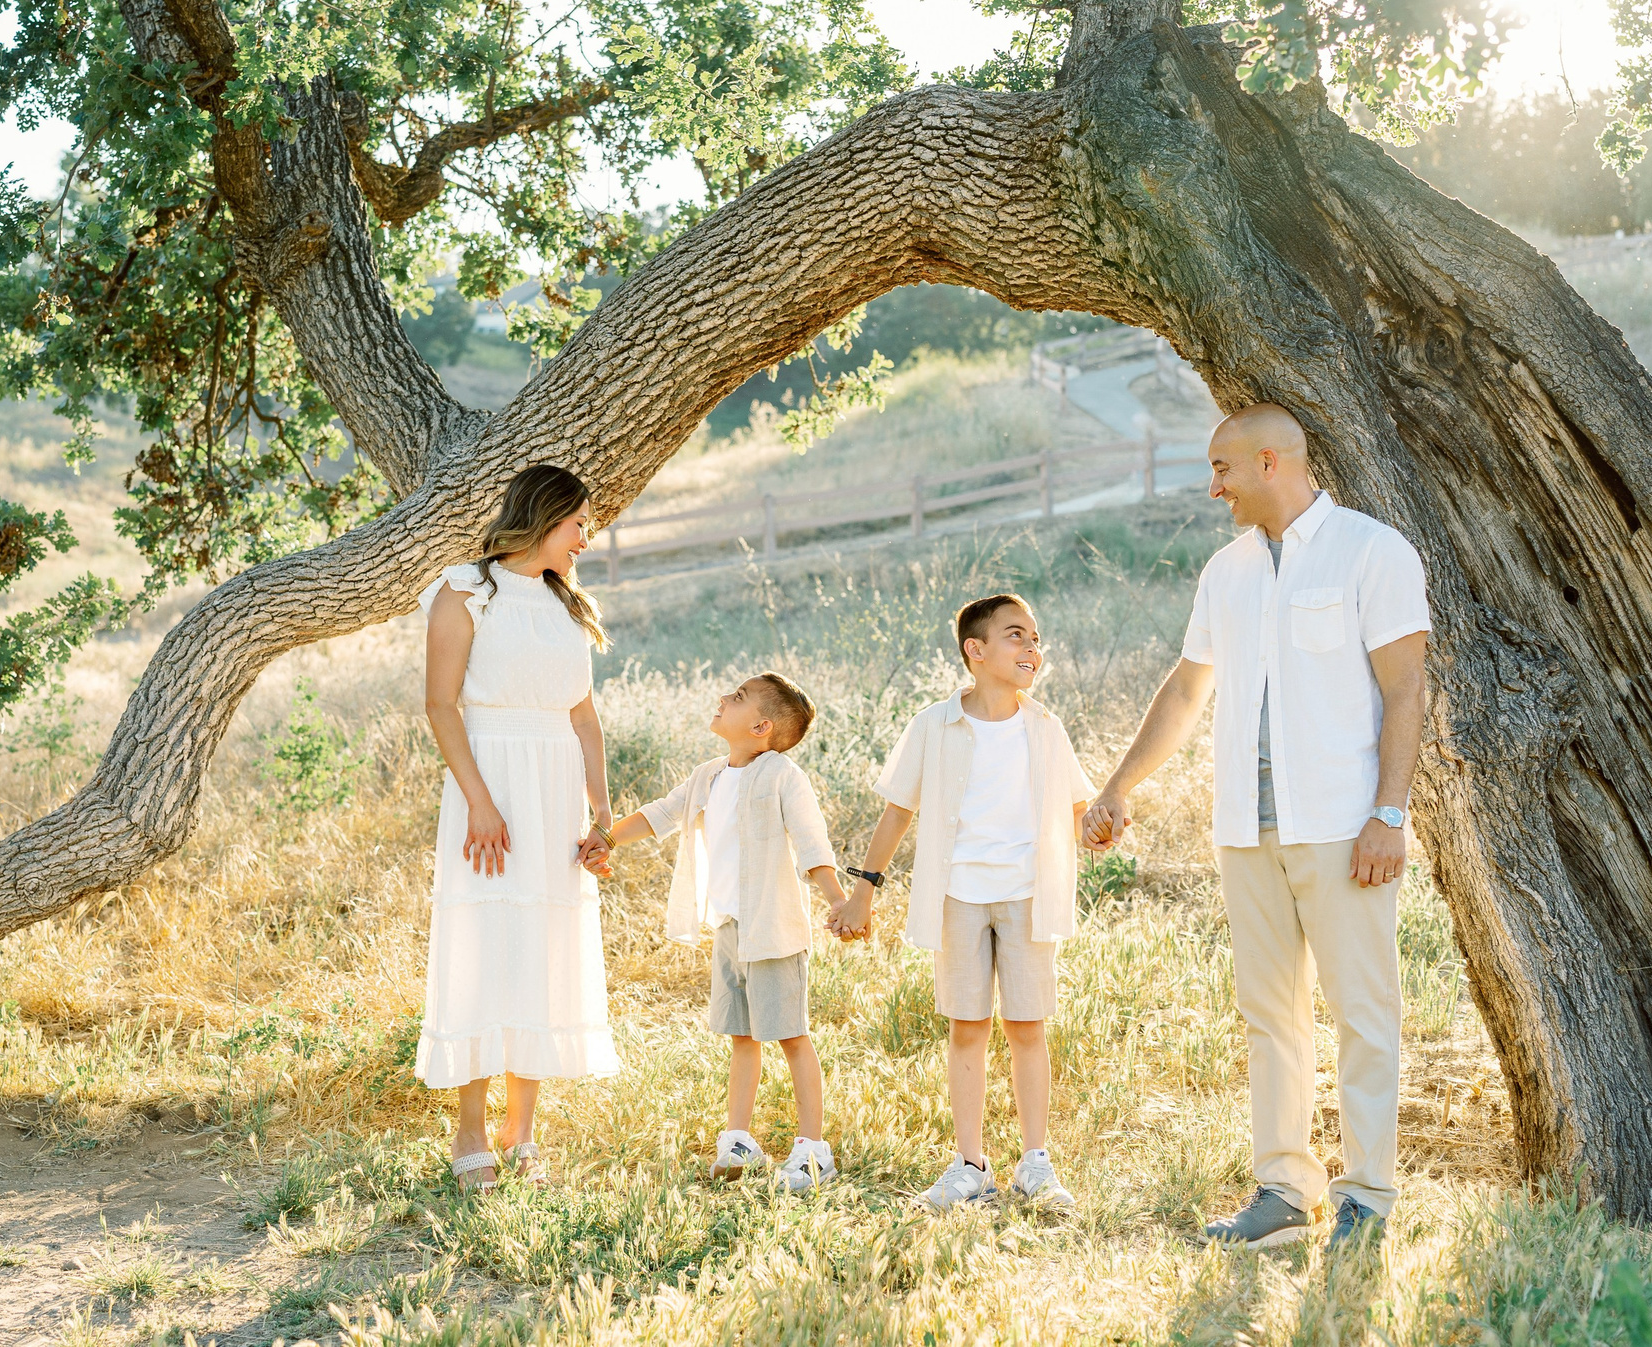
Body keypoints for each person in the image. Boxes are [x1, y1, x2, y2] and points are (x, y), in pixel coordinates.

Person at [1083, 404, 1430, 1253]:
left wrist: (1389, 812)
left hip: (1343, 828)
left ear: (1270, 462)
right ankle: (1284, 1190)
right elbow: (1185, 689)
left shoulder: (1371, 551)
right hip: (1246, 828)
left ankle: (1367, 1198)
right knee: (1270, 1016)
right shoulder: (1225, 572)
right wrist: (1119, 784)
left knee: (1364, 1014)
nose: (1214, 488)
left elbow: (1406, 689)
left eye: (1222, 469)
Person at [831, 594, 1092, 1213]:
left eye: (1036, 638)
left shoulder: (1045, 727)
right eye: (1016, 635)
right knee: (967, 1027)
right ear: (976, 650)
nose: (1032, 647)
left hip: (1027, 895)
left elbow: (1078, 810)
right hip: (957, 898)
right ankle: (971, 1165)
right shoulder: (934, 725)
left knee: (1028, 1026)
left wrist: (1100, 828)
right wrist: (863, 891)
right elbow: (898, 811)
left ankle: (1036, 1162)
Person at [416, 464, 621, 1191]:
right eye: (579, 524)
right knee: (484, 947)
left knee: (541, 950)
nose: (585, 539)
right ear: (545, 515)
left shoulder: (569, 606)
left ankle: (521, 1128)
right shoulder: (463, 592)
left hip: (554, 792)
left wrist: (602, 814)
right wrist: (479, 800)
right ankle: (470, 1127)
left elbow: (583, 717)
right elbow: (441, 704)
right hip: (490, 781)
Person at [586, 673, 849, 1192]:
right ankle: (739, 1138)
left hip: (773, 929)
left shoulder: (782, 776)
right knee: (742, 1036)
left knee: (791, 1035)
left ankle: (813, 1149)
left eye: (739, 696)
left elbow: (811, 842)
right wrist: (605, 838)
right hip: (729, 926)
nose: (724, 697)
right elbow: (661, 814)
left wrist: (839, 901)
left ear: (761, 727)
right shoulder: (708, 776)